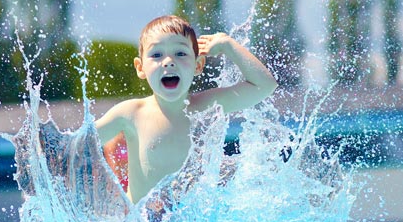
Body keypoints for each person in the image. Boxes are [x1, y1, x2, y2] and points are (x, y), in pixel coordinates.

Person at [94, 15, 278, 204]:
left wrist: (228, 45)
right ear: (140, 68)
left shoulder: (207, 106)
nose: (168, 62)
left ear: (198, 65)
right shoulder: (131, 113)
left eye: (180, 54)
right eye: (156, 55)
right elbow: (80, 143)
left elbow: (265, 85)